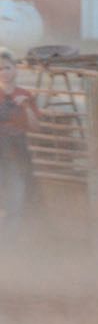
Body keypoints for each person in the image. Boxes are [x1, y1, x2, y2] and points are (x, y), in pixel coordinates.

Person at [0, 47, 40, 224]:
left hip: (16, 152)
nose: (4, 72)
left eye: (7, 67)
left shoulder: (24, 95)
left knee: (15, 200)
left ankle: (10, 245)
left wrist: (24, 107)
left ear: (15, 69)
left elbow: (35, 127)